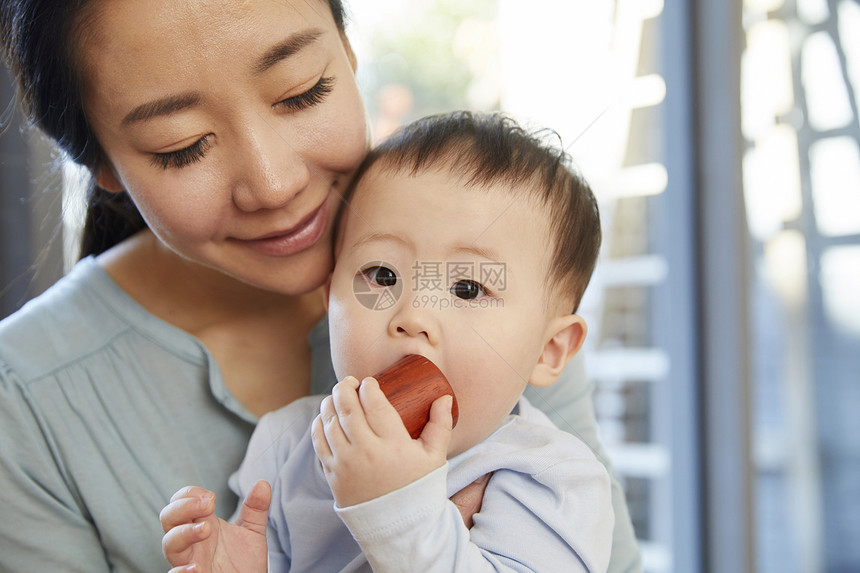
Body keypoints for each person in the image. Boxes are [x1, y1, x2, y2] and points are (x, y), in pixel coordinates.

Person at [0, 1, 640, 571]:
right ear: (102, 164)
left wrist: (400, 513)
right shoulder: (30, 404)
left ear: (348, 48)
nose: (274, 184)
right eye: (183, 146)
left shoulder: (504, 296)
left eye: (302, 92)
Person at [161, 111, 614, 572]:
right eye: (383, 276)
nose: (413, 317)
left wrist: (396, 511)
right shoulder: (287, 447)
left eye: (468, 289)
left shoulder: (551, 478)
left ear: (549, 350)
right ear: (330, 298)